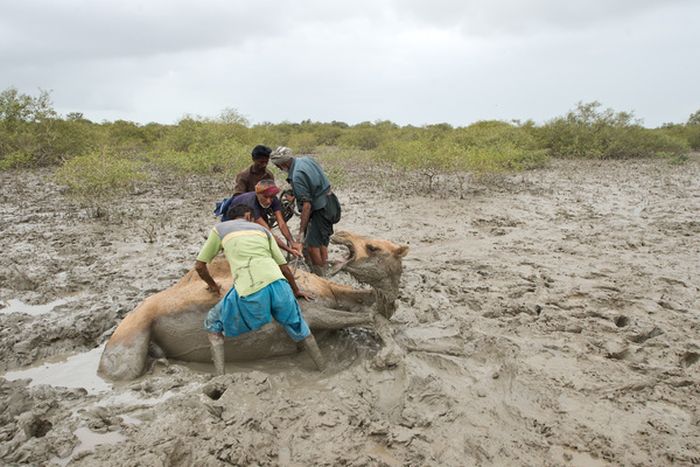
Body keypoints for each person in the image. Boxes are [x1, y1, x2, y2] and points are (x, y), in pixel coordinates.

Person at [195, 204, 325, 375]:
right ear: (248, 216)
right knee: (301, 328)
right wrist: (296, 290)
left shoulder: (220, 229)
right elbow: (285, 268)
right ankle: (322, 367)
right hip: (279, 285)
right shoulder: (262, 230)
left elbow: (199, 266)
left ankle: (221, 376)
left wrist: (212, 285)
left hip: (251, 286)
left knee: (213, 322)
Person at [270, 147, 341, 275]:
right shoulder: (306, 160)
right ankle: (325, 266)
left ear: (283, 163)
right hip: (330, 201)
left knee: (311, 245)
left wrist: (301, 233)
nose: (279, 169)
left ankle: (320, 275)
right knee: (322, 239)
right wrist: (296, 196)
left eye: (278, 166)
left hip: (321, 209)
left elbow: (307, 205)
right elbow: (312, 184)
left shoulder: (297, 175)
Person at [229, 179, 301, 257]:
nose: (269, 201)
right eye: (265, 197)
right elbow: (268, 232)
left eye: (272, 197)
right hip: (235, 219)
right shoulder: (251, 204)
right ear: (257, 194)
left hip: (258, 213)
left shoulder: (274, 200)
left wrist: (292, 242)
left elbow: (282, 223)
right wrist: (289, 250)